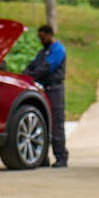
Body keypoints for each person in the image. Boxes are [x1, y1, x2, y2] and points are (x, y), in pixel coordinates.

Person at [24, 25, 68, 168]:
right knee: (43, 123)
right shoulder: (42, 52)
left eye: (42, 38)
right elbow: (33, 65)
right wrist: (23, 76)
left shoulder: (58, 50)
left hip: (55, 90)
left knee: (56, 124)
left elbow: (47, 68)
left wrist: (32, 76)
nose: (41, 41)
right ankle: (43, 158)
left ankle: (61, 157)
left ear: (50, 35)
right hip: (43, 90)